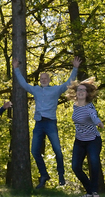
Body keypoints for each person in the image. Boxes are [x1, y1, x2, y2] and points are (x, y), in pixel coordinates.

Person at [12, 56, 80, 189]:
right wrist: (16, 69)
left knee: (57, 150)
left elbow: (68, 83)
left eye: (45, 78)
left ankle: (61, 174)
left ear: (49, 80)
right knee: (34, 151)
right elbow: (24, 84)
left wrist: (75, 68)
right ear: (40, 80)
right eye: (41, 79)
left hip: (50, 123)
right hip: (39, 123)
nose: (43, 80)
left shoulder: (55, 90)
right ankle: (44, 175)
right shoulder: (36, 89)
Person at [67, 78, 104, 197]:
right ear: (76, 93)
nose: (81, 92)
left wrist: (98, 122)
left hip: (93, 139)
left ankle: (94, 191)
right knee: (76, 167)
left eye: (83, 90)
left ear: (87, 93)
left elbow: (94, 116)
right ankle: (89, 190)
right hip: (79, 140)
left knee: (93, 163)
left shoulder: (89, 107)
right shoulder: (75, 106)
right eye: (79, 90)